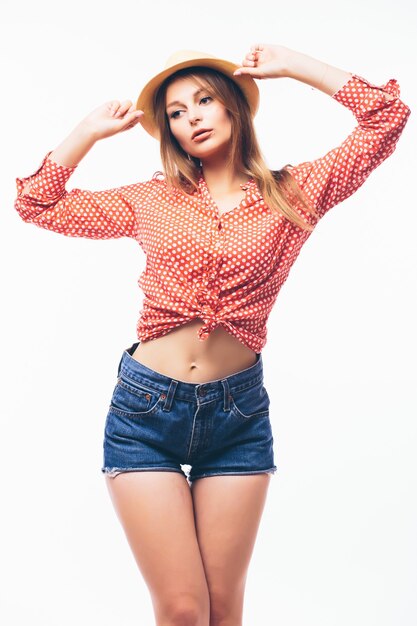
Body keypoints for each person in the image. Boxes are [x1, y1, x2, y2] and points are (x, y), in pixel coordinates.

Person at [14, 43, 410, 626]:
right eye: (175, 112)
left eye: (204, 101)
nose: (191, 117)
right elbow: (36, 203)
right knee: (181, 610)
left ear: (234, 110)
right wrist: (88, 132)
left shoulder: (294, 192)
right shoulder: (150, 200)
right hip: (146, 415)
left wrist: (291, 66)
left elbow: (386, 117)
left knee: (223, 610)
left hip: (238, 418)